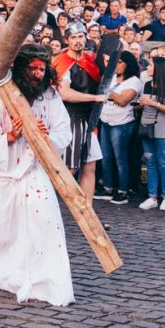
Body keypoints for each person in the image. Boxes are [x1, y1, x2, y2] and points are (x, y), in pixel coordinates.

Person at [0, 45, 74, 306]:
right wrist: (10, 136)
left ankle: (47, 278)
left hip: (34, 171)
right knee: (3, 230)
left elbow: (64, 132)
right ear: (21, 69)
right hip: (1, 175)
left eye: (42, 69)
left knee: (46, 220)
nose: (38, 74)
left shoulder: (50, 98)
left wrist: (45, 136)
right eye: (33, 69)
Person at [52, 22, 106, 209]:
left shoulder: (90, 60)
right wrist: (95, 97)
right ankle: (50, 204)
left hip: (88, 120)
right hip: (70, 118)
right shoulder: (62, 62)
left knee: (90, 165)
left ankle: (86, 208)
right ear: (67, 40)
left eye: (80, 37)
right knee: (70, 167)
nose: (77, 41)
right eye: (73, 38)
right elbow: (65, 94)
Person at [95, 51, 143, 205]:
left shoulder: (134, 81)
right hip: (106, 121)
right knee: (106, 157)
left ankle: (123, 191)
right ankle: (108, 188)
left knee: (120, 158)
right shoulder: (112, 78)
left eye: (120, 62)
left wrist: (108, 91)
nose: (117, 65)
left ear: (128, 64)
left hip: (122, 124)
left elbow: (123, 100)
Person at [137, 55, 165, 211]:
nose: (147, 68)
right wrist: (140, 105)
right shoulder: (147, 84)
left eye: (150, 65)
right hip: (147, 128)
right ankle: (152, 196)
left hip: (163, 129)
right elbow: (144, 103)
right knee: (150, 162)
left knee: (163, 162)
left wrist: (152, 103)